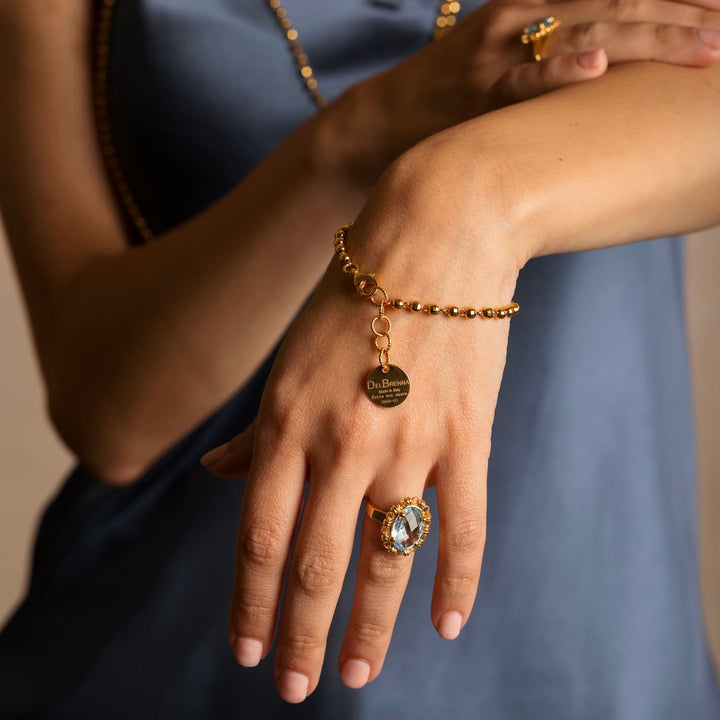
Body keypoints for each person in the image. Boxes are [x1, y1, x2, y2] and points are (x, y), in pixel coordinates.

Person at [0, 0, 718, 717]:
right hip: (171, 644)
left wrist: (458, 197)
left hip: (584, 630)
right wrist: (354, 136)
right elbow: (109, 420)